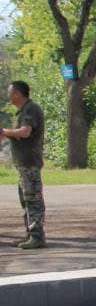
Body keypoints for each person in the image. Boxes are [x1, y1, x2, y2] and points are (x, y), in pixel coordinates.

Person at [1, 81, 45, 249]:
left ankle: (37, 236)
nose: (8, 95)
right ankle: (30, 234)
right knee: (26, 199)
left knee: (33, 200)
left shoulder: (30, 109)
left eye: (10, 92)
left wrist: (5, 132)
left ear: (18, 94)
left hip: (29, 163)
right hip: (23, 164)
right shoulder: (23, 110)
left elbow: (25, 132)